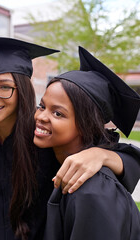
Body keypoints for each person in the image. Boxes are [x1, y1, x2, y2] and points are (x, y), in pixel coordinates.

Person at [0, 37, 140, 240]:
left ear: (22, 90)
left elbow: (125, 159)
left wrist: (101, 155)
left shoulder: (44, 139)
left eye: (4, 87)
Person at [34, 46, 140, 239]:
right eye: (42, 106)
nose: (41, 116)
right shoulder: (54, 159)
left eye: (58, 113)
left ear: (85, 125)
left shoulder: (92, 190)